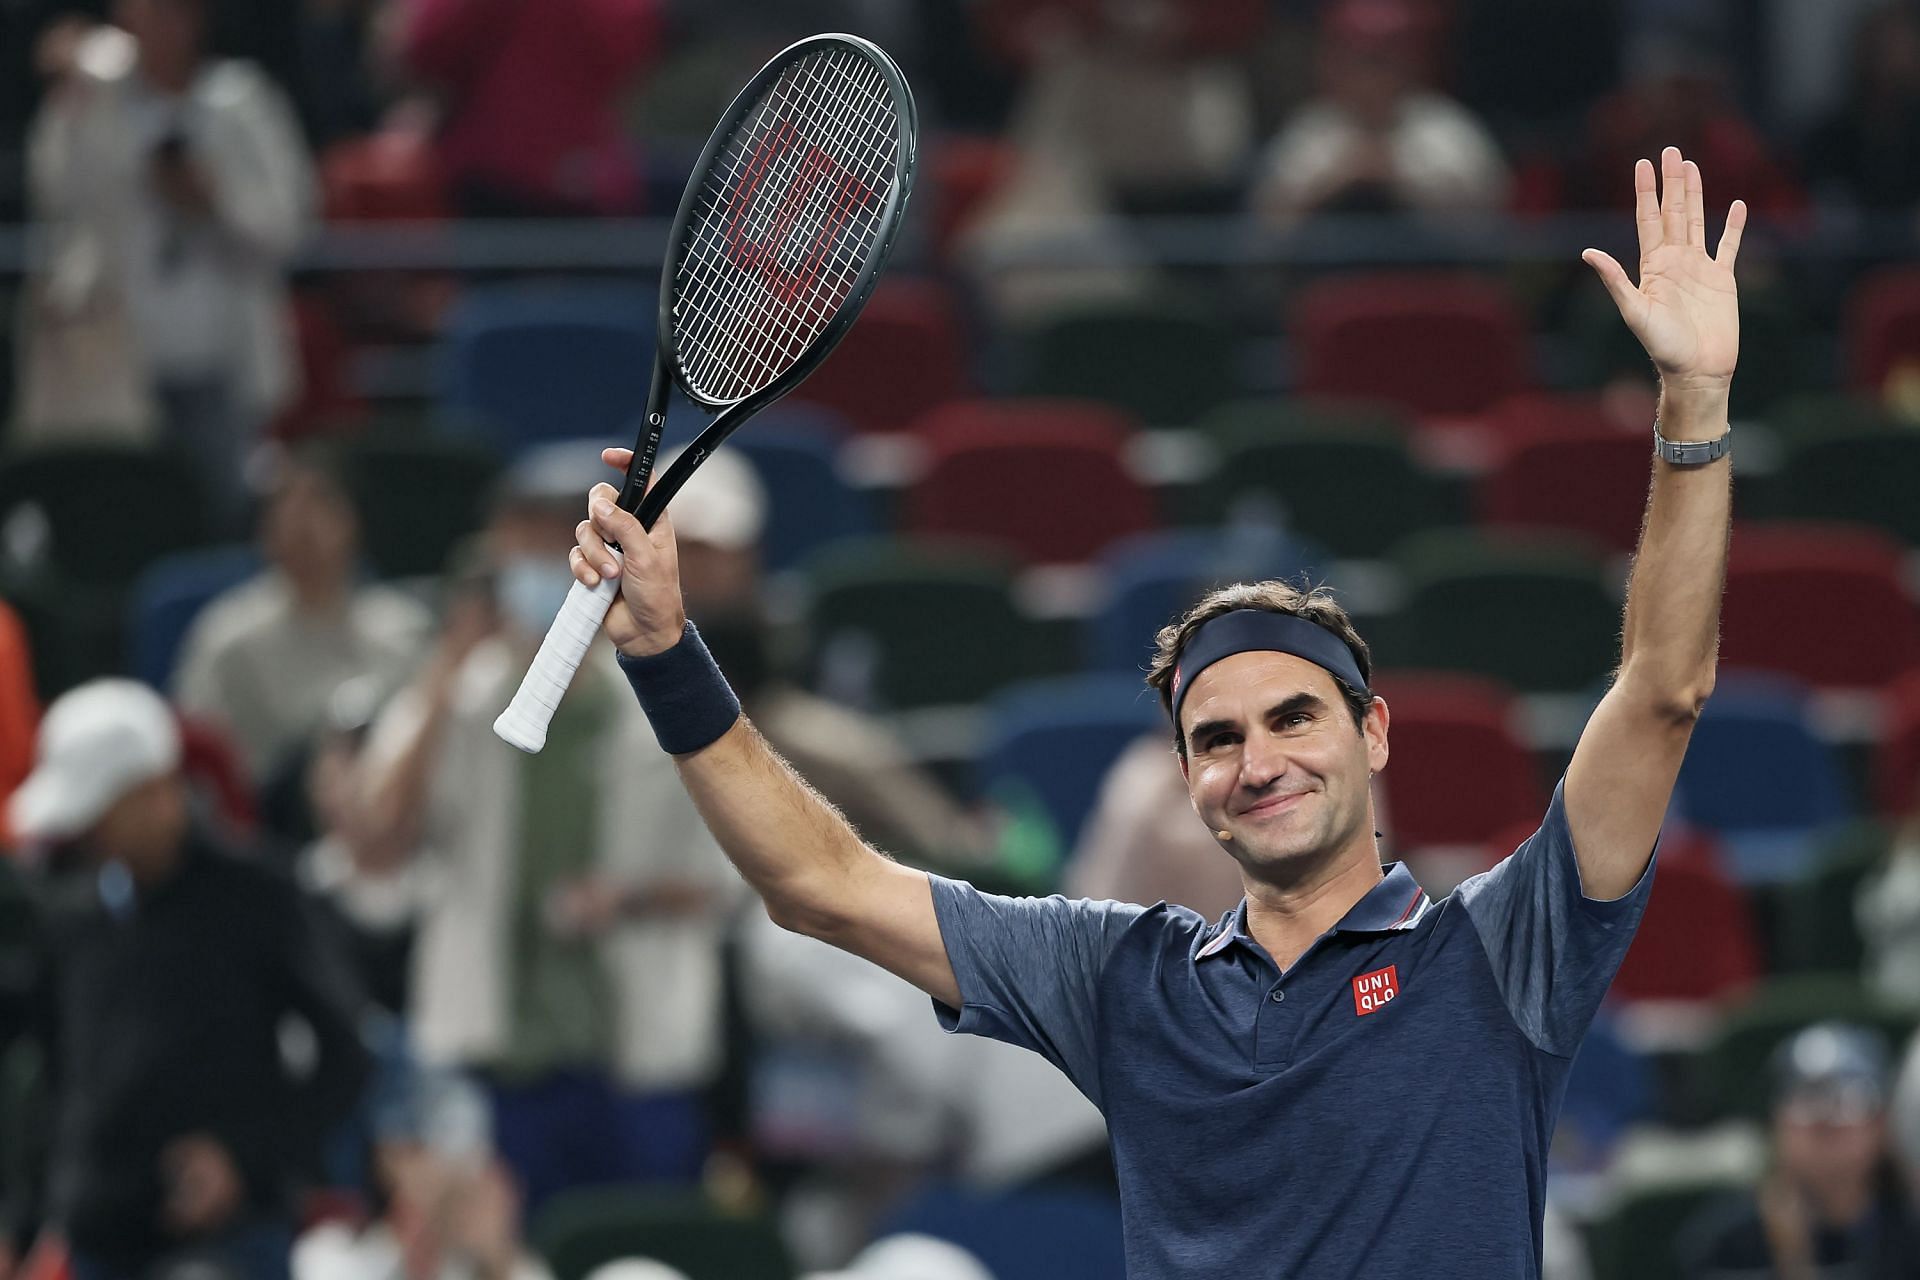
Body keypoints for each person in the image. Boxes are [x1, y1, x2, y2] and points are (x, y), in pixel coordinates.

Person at [562, 147, 1744, 1277]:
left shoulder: (1496, 952)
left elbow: (1660, 695)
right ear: (1186, 780)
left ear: (1373, 732)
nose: (1259, 759)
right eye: (1217, 738)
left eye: (1294, 717)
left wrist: (1692, 405)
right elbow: (821, 884)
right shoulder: (1128, 977)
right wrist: (667, 651)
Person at [357, 443, 743, 1211]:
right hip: (491, 1063)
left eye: (550, 542)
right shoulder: (452, 702)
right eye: (518, 544)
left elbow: (728, 884)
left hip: (636, 1065)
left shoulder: (668, 699)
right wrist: (443, 669)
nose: (535, 563)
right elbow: (375, 845)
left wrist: (624, 898)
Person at [5, 679, 369, 1280]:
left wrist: (242, 1158)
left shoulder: (259, 895)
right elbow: (54, 1083)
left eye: (100, 812)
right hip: (95, 1240)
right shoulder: (75, 914)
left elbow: (344, 1055)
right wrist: (21, 1225)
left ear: (154, 792)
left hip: (233, 1243)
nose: (89, 834)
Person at [16, 0, 313, 532]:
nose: (162, 26)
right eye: (148, 11)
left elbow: (290, 227)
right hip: (114, 367)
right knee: (122, 523)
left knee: (223, 520)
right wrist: (70, 96)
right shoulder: (97, 96)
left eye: (177, 12)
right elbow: (53, 195)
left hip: (219, 365)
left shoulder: (241, 99)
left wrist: (213, 201)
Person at [173, 447, 431, 787]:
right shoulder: (226, 638)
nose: (301, 524)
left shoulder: (405, 630)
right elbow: (195, 763)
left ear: (351, 521)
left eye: (319, 503)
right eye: (284, 509)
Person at [1678, 1023, 1920, 1280]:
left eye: (1850, 1101)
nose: (1825, 1120)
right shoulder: (1723, 1243)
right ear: (1775, 1124)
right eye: (1805, 1099)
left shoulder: (1911, 1231)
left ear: (1881, 1124)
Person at [1251, 0, 1509, 226]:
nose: (1369, 77)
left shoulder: (1446, 127)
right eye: (1358, 59)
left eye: (1381, 60)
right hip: (1328, 278)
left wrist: (1395, 175)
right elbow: (1267, 233)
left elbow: (1488, 227)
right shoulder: (1312, 129)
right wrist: (1341, 177)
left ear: (1412, 63)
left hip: (1433, 278)